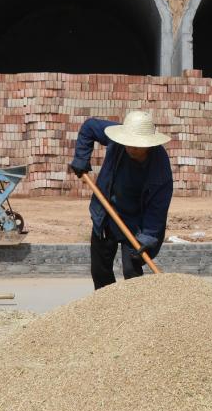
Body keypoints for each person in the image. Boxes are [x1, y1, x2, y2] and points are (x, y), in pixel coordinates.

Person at [68, 110, 174, 289]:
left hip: (137, 222)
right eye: (128, 144)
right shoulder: (117, 137)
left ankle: (136, 312)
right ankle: (106, 310)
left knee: (131, 270)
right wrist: (81, 159)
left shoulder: (160, 169)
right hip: (106, 212)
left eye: (136, 146)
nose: (130, 148)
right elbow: (89, 127)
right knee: (100, 271)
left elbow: (157, 210)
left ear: (148, 144)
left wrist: (146, 238)